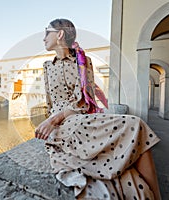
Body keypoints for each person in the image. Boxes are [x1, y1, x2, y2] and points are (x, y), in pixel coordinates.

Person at [35, 18, 161, 200]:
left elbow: (85, 102)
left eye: (47, 32)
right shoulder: (47, 67)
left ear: (60, 34)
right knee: (134, 126)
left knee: (136, 125)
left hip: (78, 118)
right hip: (62, 128)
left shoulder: (82, 61)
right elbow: (50, 104)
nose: (44, 38)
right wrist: (52, 122)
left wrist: (54, 119)